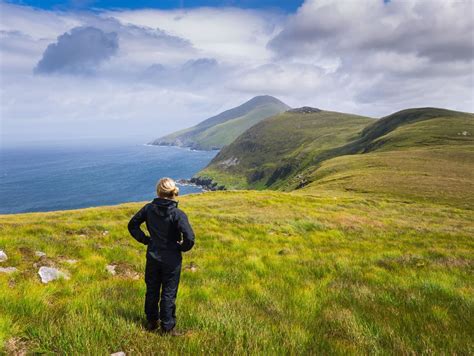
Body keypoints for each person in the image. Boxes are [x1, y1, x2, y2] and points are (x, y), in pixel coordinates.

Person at [128, 177, 195, 335]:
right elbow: (190, 238)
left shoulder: (148, 209)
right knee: (168, 292)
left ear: (158, 191)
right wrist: (181, 248)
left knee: (152, 289)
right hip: (171, 259)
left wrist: (146, 240)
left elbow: (132, 225)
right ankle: (167, 327)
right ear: (173, 193)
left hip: (153, 256)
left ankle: (151, 322)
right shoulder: (177, 214)